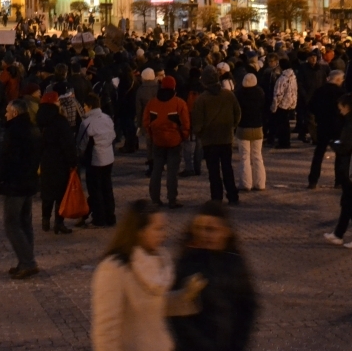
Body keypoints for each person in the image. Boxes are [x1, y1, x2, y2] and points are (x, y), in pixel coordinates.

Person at [91, 199, 206, 351]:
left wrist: (186, 295)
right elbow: (106, 331)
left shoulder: (157, 261)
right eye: (158, 229)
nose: (164, 234)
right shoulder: (113, 269)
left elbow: (154, 306)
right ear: (140, 231)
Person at [169, 201, 257, 351]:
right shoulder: (188, 262)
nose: (204, 234)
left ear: (225, 231)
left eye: (211, 229)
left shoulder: (234, 261)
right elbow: (178, 317)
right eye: (200, 228)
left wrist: (237, 344)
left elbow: (248, 305)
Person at [0, 98, 41, 278]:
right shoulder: (33, 128)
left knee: (12, 223)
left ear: (15, 112)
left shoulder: (13, 131)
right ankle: (26, 260)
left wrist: (2, 179)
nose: (5, 114)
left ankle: (28, 262)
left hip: (15, 184)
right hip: (29, 181)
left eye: (8, 111)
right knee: (25, 222)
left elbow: (8, 159)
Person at [324, 94, 352, 250]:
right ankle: (338, 233)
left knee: (351, 202)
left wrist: (333, 144)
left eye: (341, 107)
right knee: (348, 200)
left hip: (350, 166)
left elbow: (345, 147)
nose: (340, 111)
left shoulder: (351, 125)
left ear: (348, 106)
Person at [192, 66, 243, 203]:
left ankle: (216, 197)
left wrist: (200, 133)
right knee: (227, 168)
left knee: (213, 170)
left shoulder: (202, 99)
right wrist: (232, 127)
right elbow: (237, 113)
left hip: (209, 139)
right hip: (226, 137)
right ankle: (232, 195)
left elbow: (197, 121)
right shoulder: (228, 95)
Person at [144, 76, 191, 209]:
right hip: (174, 141)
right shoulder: (179, 103)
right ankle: (172, 199)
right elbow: (185, 123)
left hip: (158, 141)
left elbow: (146, 122)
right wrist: (183, 136)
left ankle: (155, 198)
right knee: (172, 172)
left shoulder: (152, 103)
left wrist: (152, 135)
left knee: (156, 170)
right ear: (174, 87)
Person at [36, 92, 77, 234]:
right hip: (60, 161)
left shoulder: (39, 119)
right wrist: (73, 161)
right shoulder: (60, 120)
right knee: (60, 193)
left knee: (47, 192)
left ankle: (45, 219)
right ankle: (59, 223)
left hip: (45, 160)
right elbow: (68, 143)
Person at [77, 93, 117, 227]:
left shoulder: (87, 123)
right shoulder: (107, 118)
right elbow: (113, 136)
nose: (83, 108)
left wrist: (79, 155)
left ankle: (99, 218)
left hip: (95, 159)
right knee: (107, 187)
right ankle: (110, 216)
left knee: (95, 190)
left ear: (89, 106)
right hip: (108, 157)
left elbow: (81, 143)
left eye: (84, 106)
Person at [307, 70, 345, 188]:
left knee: (319, 153)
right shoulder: (341, 93)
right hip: (337, 128)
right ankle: (339, 181)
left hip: (323, 126)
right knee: (339, 154)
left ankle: (313, 180)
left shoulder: (320, 91)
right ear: (338, 80)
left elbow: (311, 107)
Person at [234, 73, 265, 194]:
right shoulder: (260, 93)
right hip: (257, 127)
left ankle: (245, 183)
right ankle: (260, 183)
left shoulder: (239, 94)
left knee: (244, 157)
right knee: (257, 156)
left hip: (243, 128)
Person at [270, 58, 297, 148]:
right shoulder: (293, 76)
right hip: (290, 102)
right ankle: (286, 141)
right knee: (286, 124)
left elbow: (278, 94)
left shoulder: (282, 78)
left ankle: (283, 142)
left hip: (282, 104)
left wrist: (274, 106)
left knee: (282, 124)